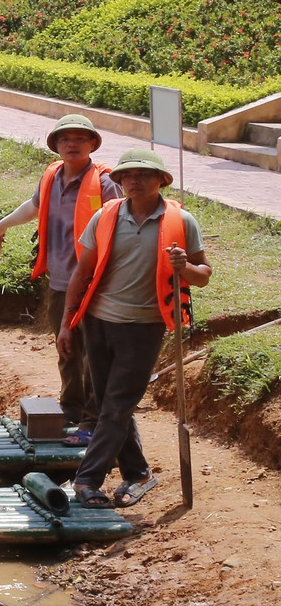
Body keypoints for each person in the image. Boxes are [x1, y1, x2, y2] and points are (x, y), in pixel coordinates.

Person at [60, 148, 210, 509]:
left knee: (115, 406)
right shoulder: (106, 216)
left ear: (161, 180)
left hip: (144, 326)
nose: (134, 181)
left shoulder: (181, 222)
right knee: (112, 402)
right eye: (128, 175)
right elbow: (83, 271)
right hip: (98, 322)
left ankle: (87, 478)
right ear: (121, 181)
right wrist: (67, 323)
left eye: (143, 175)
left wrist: (183, 266)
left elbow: (203, 276)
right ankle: (138, 472)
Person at [0, 115, 118, 440]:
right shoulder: (51, 178)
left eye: (79, 139)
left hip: (94, 286)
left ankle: (91, 422)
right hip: (60, 282)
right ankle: (71, 410)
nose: (72, 144)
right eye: (65, 139)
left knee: (91, 354)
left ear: (92, 144)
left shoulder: (104, 183)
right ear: (57, 145)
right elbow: (33, 207)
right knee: (67, 350)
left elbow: (121, 225)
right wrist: (1, 225)